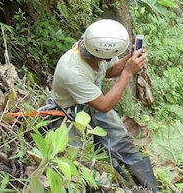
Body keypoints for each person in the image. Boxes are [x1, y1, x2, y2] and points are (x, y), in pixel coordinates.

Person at [38, 19, 158, 192]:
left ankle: (151, 188)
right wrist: (128, 73)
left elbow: (110, 70)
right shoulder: (72, 69)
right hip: (67, 112)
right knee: (70, 159)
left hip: (92, 100)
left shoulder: (95, 51)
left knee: (121, 140)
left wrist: (128, 59)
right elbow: (104, 105)